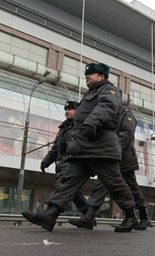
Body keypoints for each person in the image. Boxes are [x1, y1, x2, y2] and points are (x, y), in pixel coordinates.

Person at [22, 62, 138, 232]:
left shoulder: (109, 91)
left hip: (101, 147)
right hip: (84, 147)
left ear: (101, 76)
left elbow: (107, 107)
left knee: (114, 183)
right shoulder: (89, 94)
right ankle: (50, 215)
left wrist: (91, 123)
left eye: (91, 75)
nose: (87, 77)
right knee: (68, 181)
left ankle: (131, 216)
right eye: (86, 76)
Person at [68, 104, 152, 230]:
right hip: (110, 157)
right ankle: (90, 216)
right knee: (101, 184)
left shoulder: (126, 113)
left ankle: (144, 217)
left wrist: (112, 148)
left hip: (124, 158)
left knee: (132, 187)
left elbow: (127, 134)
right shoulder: (107, 113)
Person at [40, 101, 88, 215]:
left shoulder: (82, 126)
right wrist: (46, 161)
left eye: (70, 109)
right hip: (61, 164)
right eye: (66, 110)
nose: (67, 111)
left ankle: (48, 214)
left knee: (60, 186)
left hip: (73, 164)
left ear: (77, 111)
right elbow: (56, 148)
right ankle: (88, 215)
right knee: (75, 194)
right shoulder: (63, 127)